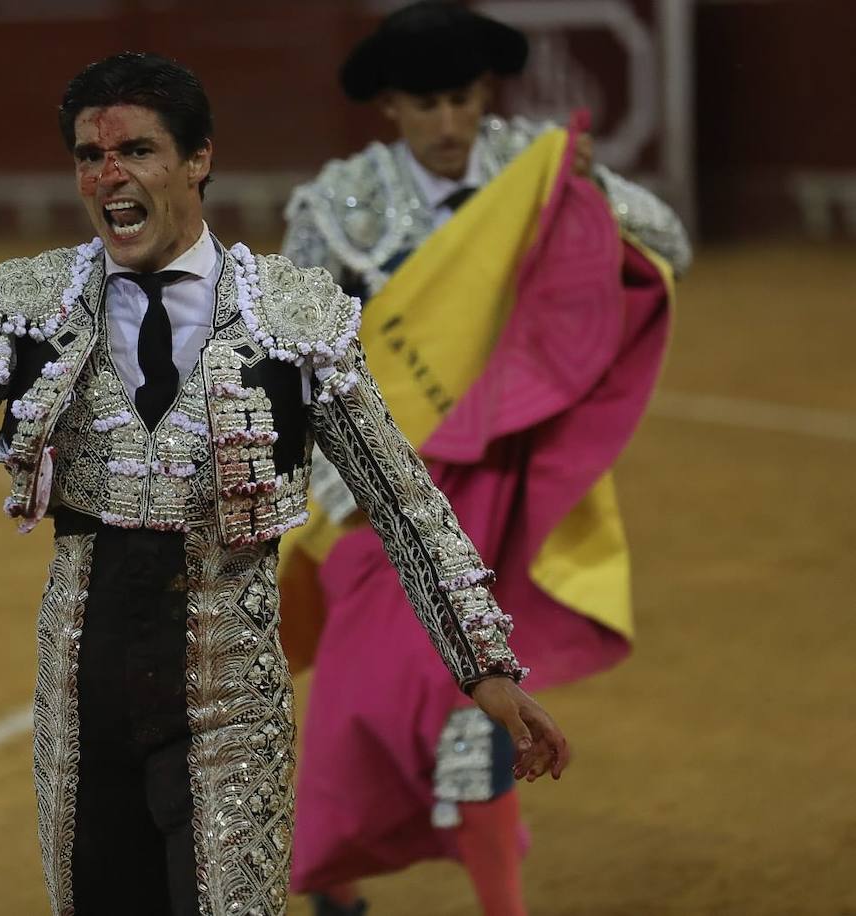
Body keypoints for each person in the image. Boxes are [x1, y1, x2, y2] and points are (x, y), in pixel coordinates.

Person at [0, 51, 568, 916]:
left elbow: (401, 499)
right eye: (89, 156)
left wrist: (483, 664)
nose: (109, 176)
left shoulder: (293, 318)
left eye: (138, 152)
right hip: (80, 701)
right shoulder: (33, 303)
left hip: (230, 706)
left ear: (198, 160)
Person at [280, 4, 689, 915]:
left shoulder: (535, 168)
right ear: (390, 105)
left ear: (487, 94)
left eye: (464, 99)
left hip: (498, 484)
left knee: (477, 711)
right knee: (355, 711)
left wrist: (600, 193)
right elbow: (291, 356)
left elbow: (670, 247)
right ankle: (335, 896)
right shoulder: (336, 205)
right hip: (372, 492)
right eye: (426, 104)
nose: (450, 125)